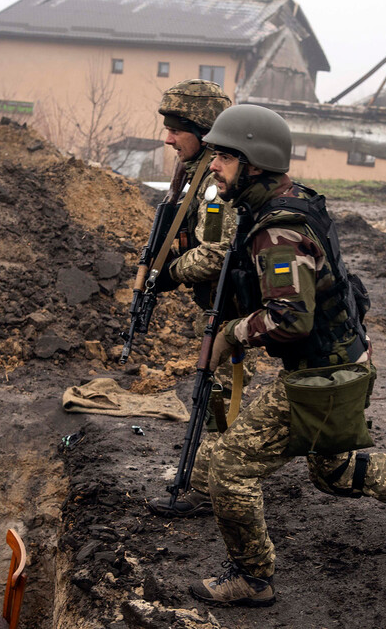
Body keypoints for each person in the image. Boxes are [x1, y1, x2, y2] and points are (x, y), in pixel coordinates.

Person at [187, 104, 386, 607]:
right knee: (334, 469)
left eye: (225, 157)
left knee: (231, 468)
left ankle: (252, 578)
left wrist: (231, 334)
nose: (213, 165)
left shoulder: (278, 231)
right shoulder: (286, 202)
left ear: (255, 163)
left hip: (322, 372)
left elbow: (289, 319)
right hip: (342, 359)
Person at [144, 79, 246, 519]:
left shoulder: (214, 184)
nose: (168, 138)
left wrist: (170, 272)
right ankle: (206, 483)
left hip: (240, 310)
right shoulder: (200, 174)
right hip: (229, 308)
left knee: (217, 395)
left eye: (176, 129)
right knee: (216, 393)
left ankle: (205, 487)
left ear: (203, 132)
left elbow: (217, 252)